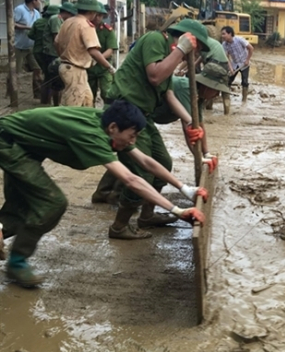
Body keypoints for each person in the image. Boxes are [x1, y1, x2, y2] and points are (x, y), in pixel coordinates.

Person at [0, 100, 204, 287]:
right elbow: (131, 180)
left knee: (20, 209)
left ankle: (14, 256)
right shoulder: (92, 135)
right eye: (131, 135)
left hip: (23, 148)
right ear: (114, 127)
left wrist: (184, 189)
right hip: (9, 144)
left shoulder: (107, 127)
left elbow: (145, 162)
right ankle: (17, 263)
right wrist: (176, 210)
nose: (133, 141)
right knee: (52, 203)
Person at [99, 18, 209, 240]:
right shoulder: (155, 39)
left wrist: (190, 122)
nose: (194, 54)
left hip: (142, 116)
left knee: (164, 163)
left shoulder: (169, 58)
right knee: (142, 173)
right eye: (196, 47)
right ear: (184, 37)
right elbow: (155, 76)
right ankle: (119, 226)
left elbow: (168, 95)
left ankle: (147, 216)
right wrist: (180, 50)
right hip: (124, 111)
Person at [94, 63, 233, 205]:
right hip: (135, 115)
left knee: (140, 156)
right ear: (206, 86)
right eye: (216, 90)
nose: (217, 95)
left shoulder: (198, 96)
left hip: (146, 118)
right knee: (139, 162)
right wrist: (198, 156)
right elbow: (189, 129)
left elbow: (199, 126)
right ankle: (117, 199)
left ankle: (106, 193)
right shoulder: (187, 89)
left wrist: (206, 153)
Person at [55, 0, 115, 107]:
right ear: (92, 12)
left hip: (69, 67)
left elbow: (56, 42)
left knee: (88, 100)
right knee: (73, 105)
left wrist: (63, 56)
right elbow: (93, 51)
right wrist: (109, 67)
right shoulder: (86, 25)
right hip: (75, 69)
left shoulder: (68, 22)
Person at [42, 2, 78, 106]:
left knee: (55, 79)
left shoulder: (61, 20)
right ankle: (54, 104)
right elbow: (57, 39)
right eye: (71, 15)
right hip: (52, 53)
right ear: (66, 12)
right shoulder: (56, 19)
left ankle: (50, 102)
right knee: (54, 80)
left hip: (56, 52)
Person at [28, 4, 60, 104]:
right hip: (51, 52)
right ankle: (49, 100)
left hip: (38, 51)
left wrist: (39, 39)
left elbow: (30, 35)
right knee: (52, 76)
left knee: (46, 75)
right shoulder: (56, 22)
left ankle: (45, 100)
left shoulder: (38, 22)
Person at [14, 0, 43, 99]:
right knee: (15, 70)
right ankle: (12, 91)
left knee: (37, 69)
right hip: (19, 45)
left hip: (32, 46)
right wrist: (27, 27)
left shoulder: (36, 13)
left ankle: (38, 93)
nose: (40, 2)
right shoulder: (19, 10)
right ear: (33, 0)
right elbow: (13, 23)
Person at [87, 3, 118, 104]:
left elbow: (110, 49)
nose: (98, 18)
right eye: (96, 15)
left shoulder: (107, 30)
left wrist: (98, 59)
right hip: (88, 66)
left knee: (107, 92)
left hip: (104, 67)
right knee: (89, 95)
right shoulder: (85, 28)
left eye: (101, 15)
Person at [221, 26, 254, 103]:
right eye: (222, 34)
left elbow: (251, 48)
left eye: (224, 34)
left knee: (245, 82)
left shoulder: (239, 40)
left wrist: (247, 60)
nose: (222, 36)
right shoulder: (224, 44)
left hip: (244, 63)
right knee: (228, 80)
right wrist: (231, 69)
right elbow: (226, 58)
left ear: (230, 34)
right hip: (234, 63)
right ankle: (227, 98)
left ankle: (244, 100)